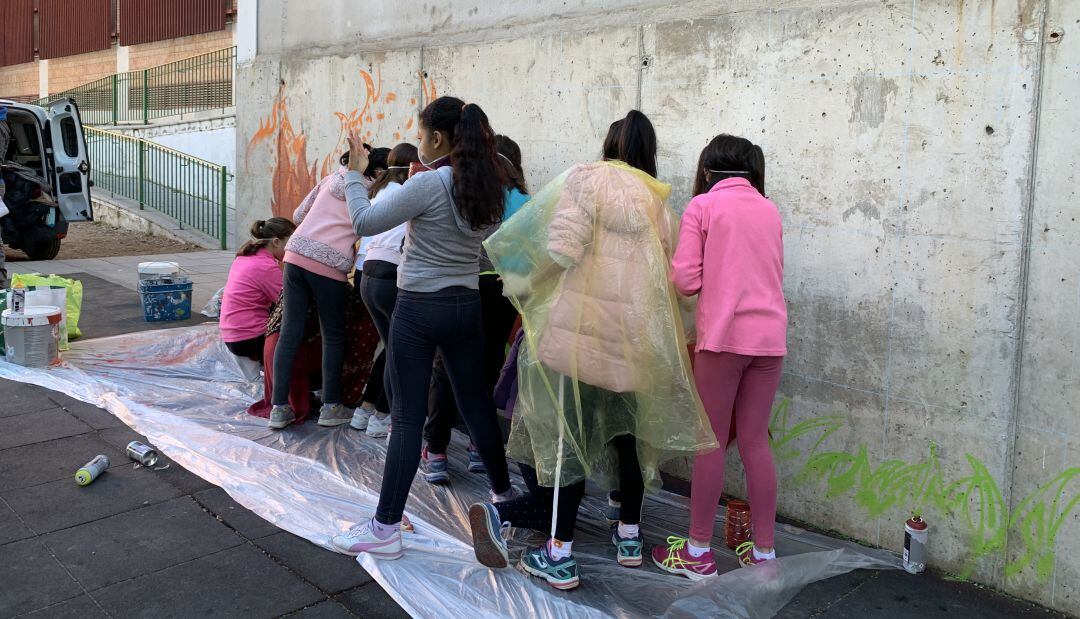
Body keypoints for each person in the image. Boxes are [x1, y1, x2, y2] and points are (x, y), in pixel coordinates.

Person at [469, 111, 716, 589]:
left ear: (610, 142)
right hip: (633, 346)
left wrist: (520, 282)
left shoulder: (586, 180)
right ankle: (628, 537)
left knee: (569, 445)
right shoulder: (660, 206)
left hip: (576, 341)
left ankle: (559, 553)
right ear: (649, 153)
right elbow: (676, 286)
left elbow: (560, 250)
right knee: (629, 438)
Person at [330, 96, 514, 560]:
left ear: (435, 138)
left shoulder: (432, 183)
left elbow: (364, 220)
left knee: (408, 417)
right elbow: (486, 247)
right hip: (465, 305)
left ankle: (386, 526)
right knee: (474, 407)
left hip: (418, 307)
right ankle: (505, 501)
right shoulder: (489, 187)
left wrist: (355, 172)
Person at [650, 134, 786, 578]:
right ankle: (763, 553)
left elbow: (686, 280)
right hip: (769, 342)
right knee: (754, 443)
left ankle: (697, 550)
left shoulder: (704, 207)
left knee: (709, 443)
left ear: (708, 170)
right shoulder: (769, 210)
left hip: (723, 340)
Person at [420, 134, 530, 484]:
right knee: (488, 368)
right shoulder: (527, 202)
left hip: (465, 287)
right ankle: (478, 448)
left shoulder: (474, 194)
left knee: (445, 366)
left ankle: (435, 448)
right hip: (506, 291)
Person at [269, 162, 363, 430]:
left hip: (296, 254)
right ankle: (331, 406)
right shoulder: (368, 189)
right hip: (329, 263)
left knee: (289, 332)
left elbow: (299, 215)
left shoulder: (330, 178)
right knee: (333, 335)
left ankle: (278, 408)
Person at [350, 142, 421, 438]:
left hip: (367, 273)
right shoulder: (406, 193)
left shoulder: (380, 190)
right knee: (398, 351)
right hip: (389, 274)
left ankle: (365, 410)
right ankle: (383, 414)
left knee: (390, 347)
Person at [219, 218, 295, 363]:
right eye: (291, 244)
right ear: (276, 242)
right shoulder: (266, 267)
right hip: (249, 338)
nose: (293, 249)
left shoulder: (245, 257)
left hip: (231, 333)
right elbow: (289, 300)